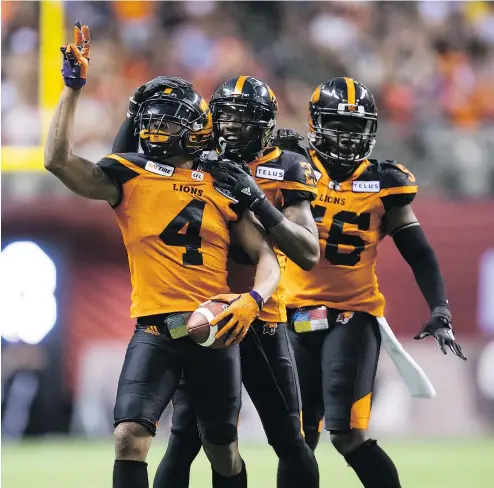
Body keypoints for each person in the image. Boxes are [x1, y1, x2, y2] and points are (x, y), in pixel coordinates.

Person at [44, 23, 281, 488]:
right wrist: (72, 90)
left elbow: (268, 257)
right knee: (129, 436)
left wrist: (252, 300)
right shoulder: (126, 173)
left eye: (166, 121)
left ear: (193, 130)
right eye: (149, 120)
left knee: (222, 450)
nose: (154, 129)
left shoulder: (222, 180)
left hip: (213, 329)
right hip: (154, 328)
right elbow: (57, 161)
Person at [111, 75, 321, 488]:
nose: (228, 126)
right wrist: (135, 108)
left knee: (288, 438)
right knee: (187, 440)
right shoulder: (198, 157)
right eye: (222, 115)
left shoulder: (286, 166)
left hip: (261, 316)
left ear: (262, 124)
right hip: (205, 315)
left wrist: (256, 198)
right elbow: (124, 171)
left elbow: (308, 253)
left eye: (241, 118)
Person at [271, 77, 466, 488]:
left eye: (357, 128)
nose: (348, 137)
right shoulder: (292, 166)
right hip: (292, 315)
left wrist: (440, 308)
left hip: (352, 317)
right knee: (295, 439)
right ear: (316, 124)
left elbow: (420, 252)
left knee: (346, 434)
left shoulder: (384, 181)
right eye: (338, 126)